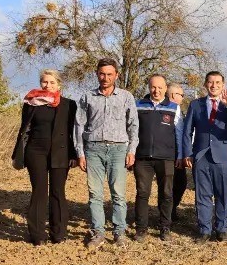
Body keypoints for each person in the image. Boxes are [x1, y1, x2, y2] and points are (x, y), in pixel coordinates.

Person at [74, 58, 138, 248]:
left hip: (118, 149)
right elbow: (79, 126)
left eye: (109, 74)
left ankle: (119, 232)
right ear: (97, 74)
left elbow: (133, 125)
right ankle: (98, 232)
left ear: (116, 75)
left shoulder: (126, 97)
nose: (105, 77)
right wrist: (80, 153)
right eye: (102, 73)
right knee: (95, 194)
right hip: (93, 149)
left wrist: (131, 150)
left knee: (118, 194)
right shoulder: (87, 97)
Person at [12, 69, 77, 245]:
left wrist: (74, 154)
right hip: (36, 152)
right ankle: (37, 235)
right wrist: (19, 153)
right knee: (39, 192)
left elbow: (73, 133)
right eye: (44, 82)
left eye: (51, 82)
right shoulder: (31, 103)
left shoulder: (69, 105)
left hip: (61, 153)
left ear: (59, 85)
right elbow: (24, 129)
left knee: (58, 192)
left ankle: (59, 234)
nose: (47, 86)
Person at [182, 71, 227, 242]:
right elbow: (187, 131)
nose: (214, 85)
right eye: (210, 82)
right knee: (202, 194)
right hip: (201, 155)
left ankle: (222, 228)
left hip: (223, 156)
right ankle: (205, 230)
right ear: (205, 84)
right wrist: (188, 152)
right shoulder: (195, 104)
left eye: (217, 82)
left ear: (223, 85)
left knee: (223, 193)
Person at [133, 74, 180, 242]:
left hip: (166, 158)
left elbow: (179, 134)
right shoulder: (137, 105)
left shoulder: (174, 108)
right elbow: (131, 130)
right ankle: (141, 229)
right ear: (149, 87)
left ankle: (165, 228)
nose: (156, 90)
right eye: (153, 87)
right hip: (142, 158)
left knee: (166, 194)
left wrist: (179, 155)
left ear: (166, 89)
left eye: (160, 87)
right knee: (142, 193)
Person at [168, 84, 189, 222]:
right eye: (180, 95)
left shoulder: (178, 110)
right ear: (172, 95)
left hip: (177, 152)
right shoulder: (168, 109)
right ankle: (168, 213)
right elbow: (178, 133)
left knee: (180, 183)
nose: (182, 97)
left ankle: (172, 209)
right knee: (169, 184)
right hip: (169, 152)